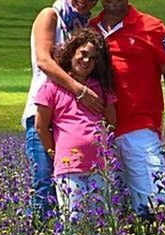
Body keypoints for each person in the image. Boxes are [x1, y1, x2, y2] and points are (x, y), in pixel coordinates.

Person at [90, 0, 165, 219]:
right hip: (99, 132)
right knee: (110, 207)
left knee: (156, 201)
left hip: (139, 128)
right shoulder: (90, 30)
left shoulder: (152, 27)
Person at [22, 0, 104, 220]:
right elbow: (45, 61)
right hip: (44, 113)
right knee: (45, 181)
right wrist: (80, 91)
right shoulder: (51, 16)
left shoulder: (83, 29)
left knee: (67, 182)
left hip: (70, 118)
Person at [33, 29, 117, 223]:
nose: (87, 61)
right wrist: (52, 152)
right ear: (72, 53)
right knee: (74, 220)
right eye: (83, 54)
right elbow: (41, 126)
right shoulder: (51, 87)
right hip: (69, 166)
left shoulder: (102, 88)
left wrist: (104, 148)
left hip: (100, 165)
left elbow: (112, 123)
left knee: (102, 221)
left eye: (93, 58)